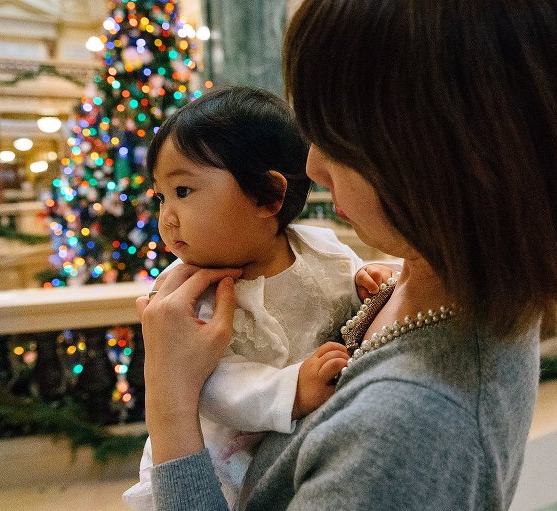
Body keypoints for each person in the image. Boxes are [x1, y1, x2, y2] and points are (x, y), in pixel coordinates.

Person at [138, 1, 557, 509]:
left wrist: (168, 397)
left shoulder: (401, 433)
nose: (313, 165)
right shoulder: (464, 279)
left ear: (431, 153)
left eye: (336, 136)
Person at [121, 86, 395, 510]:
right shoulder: (182, 292)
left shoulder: (319, 248)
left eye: (183, 192)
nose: (166, 217)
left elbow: (346, 270)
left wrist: (364, 276)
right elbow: (210, 384)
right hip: (218, 463)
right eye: (160, 197)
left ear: (268, 196)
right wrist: (291, 389)